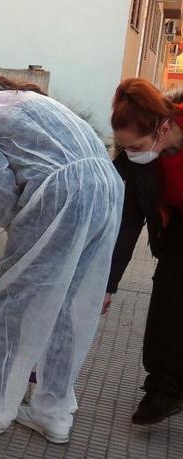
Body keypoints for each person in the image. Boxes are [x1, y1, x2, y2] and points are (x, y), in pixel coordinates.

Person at [0, 62, 124, 444]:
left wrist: (8, 224)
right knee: (70, 304)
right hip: (106, 189)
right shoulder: (28, 98)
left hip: (63, 196)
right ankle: (53, 411)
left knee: (12, 300)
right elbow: (30, 175)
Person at [105, 79, 183, 425]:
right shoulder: (138, 163)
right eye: (126, 149)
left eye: (136, 147)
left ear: (163, 128)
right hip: (176, 232)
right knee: (168, 304)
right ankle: (163, 390)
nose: (132, 154)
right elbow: (127, 224)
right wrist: (108, 284)